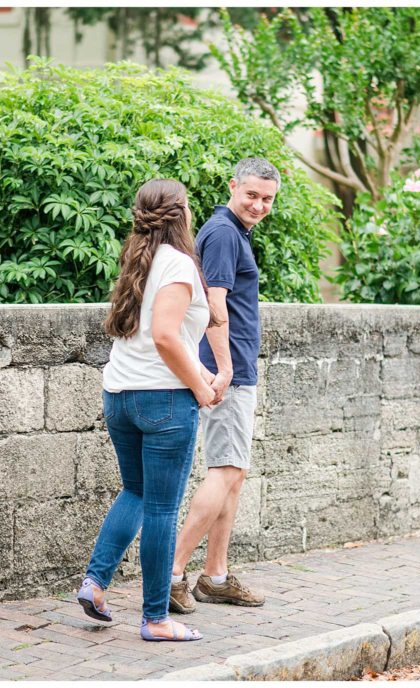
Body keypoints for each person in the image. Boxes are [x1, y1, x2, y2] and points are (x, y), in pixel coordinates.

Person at [76, 179, 220, 642]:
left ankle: (96, 585)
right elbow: (163, 335)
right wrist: (199, 385)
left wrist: (202, 373)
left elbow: (164, 337)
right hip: (163, 400)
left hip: (121, 395)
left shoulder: (140, 257)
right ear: (182, 214)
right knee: (161, 508)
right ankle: (156, 618)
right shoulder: (177, 263)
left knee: (136, 492)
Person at [169, 158, 279, 613]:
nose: (258, 204)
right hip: (225, 369)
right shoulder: (222, 233)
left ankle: (214, 576)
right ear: (233, 186)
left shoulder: (234, 233)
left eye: (267, 199)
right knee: (226, 470)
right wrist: (225, 367)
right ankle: (171, 574)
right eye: (251, 194)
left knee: (234, 473)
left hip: (234, 368)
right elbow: (214, 305)